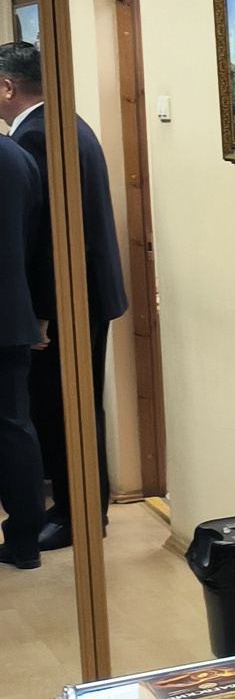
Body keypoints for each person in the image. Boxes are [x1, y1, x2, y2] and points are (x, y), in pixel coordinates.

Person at [0, 45, 129, 549]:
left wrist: (43, 312)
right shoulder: (66, 122)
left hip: (66, 302)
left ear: (7, 87)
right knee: (78, 404)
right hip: (88, 294)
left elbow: (49, 237)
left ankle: (78, 516)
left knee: (63, 408)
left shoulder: (35, 137)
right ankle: (81, 510)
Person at [0, 131, 51, 569]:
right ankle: (25, 542)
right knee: (15, 427)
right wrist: (38, 313)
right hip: (12, 314)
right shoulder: (17, 157)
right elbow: (38, 243)